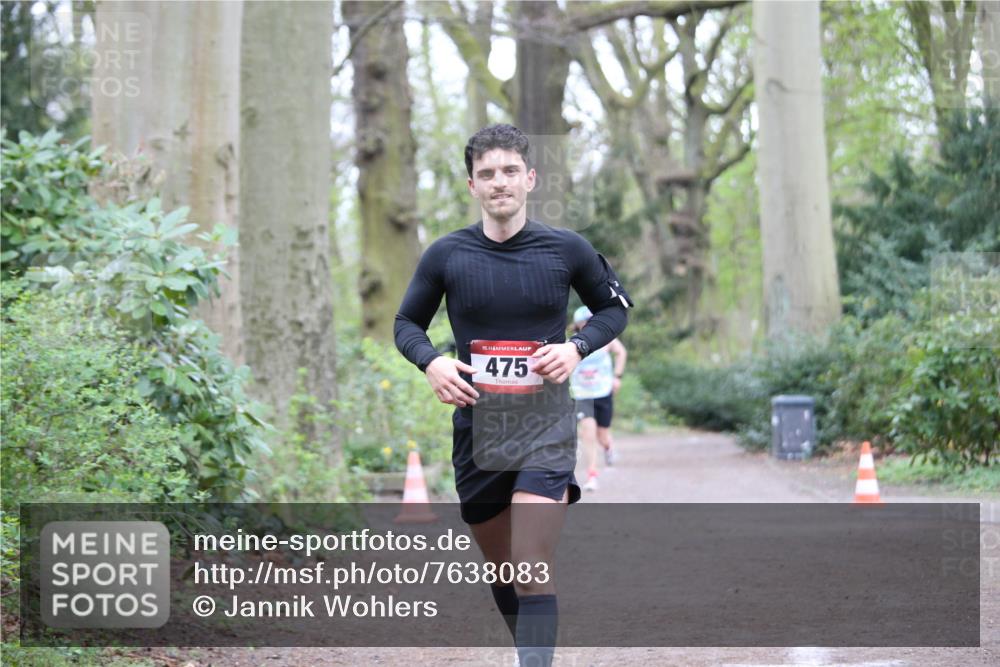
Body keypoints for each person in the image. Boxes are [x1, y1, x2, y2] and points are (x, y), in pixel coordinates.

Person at [394, 124, 632, 666]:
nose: (499, 182)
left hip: (545, 425)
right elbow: (406, 322)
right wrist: (431, 361)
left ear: (530, 178)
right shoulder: (446, 255)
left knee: (529, 563)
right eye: (487, 173)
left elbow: (614, 309)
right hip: (478, 429)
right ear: (472, 185)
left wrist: (576, 348)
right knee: (503, 569)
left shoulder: (567, 248)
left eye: (509, 171)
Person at [569, 306, 627, 492]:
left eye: (590, 321)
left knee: (603, 436)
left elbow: (621, 353)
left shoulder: (605, 339)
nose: (587, 325)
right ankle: (592, 475)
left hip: (603, 392)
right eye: (584, 322)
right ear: (578, 325)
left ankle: (609, 448)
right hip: (582, 394)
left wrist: (617, 377)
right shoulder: (570, 344)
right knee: (588, 431)